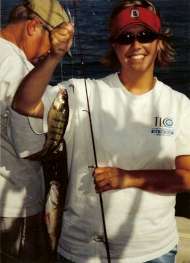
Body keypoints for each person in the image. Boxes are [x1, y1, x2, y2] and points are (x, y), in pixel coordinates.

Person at [13, 0, 190, 262]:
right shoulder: (80, 92)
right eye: (126, 37)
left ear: (159, 42)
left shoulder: (179, 105)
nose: (136, 45)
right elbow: (25, 104)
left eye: (145, 35)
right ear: (114, 45)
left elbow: (187, 177)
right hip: (80, 249)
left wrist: (129, 178)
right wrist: (53, 57)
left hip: (152, 251)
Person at [0, 0, 70, 262]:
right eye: (49, 42)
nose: (45, 54)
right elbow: (30, 148)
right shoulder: (21, 70)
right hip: (13, 211)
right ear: (32, 27)